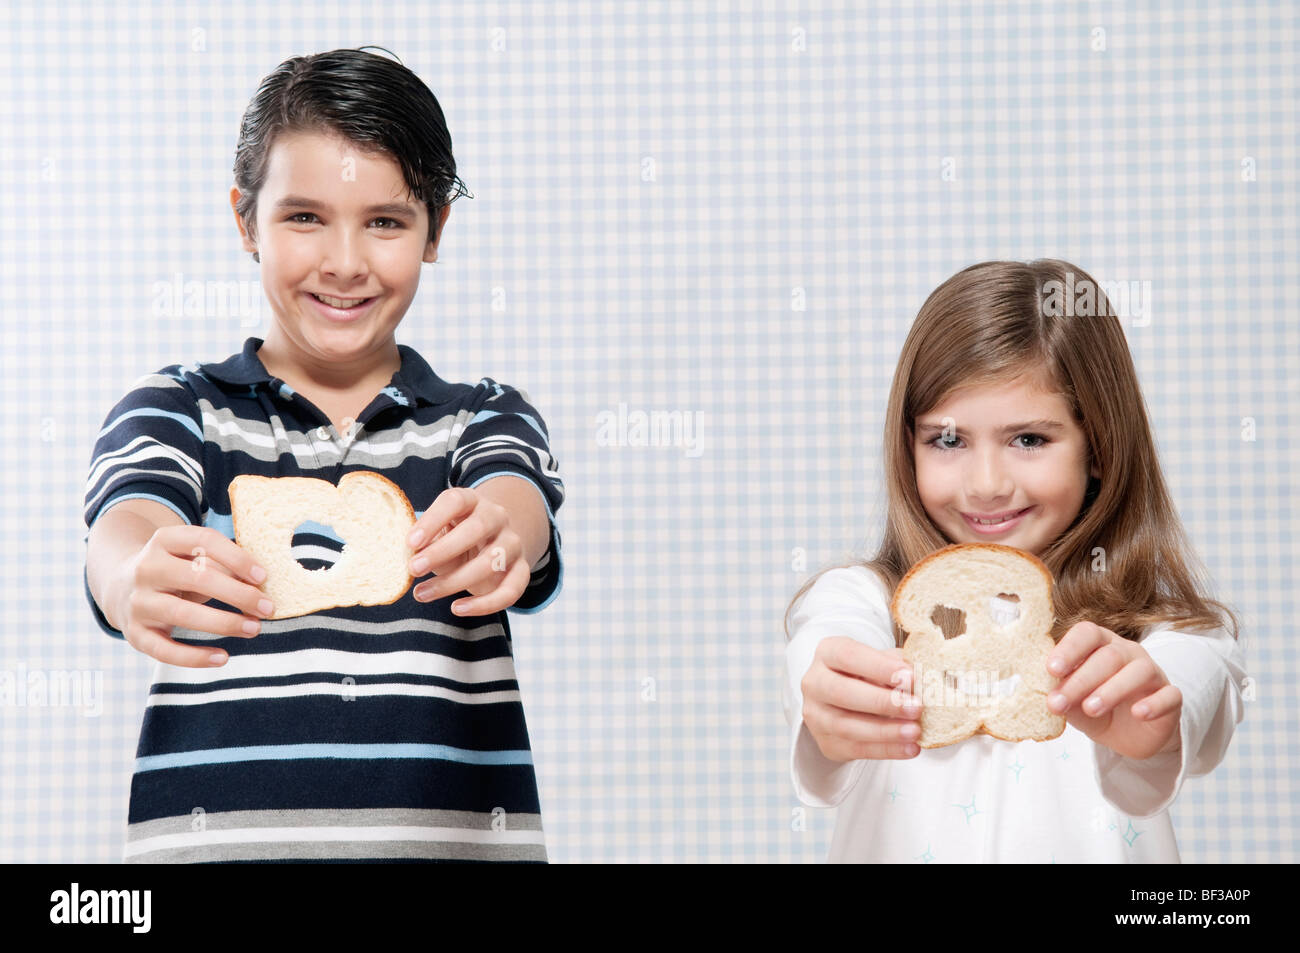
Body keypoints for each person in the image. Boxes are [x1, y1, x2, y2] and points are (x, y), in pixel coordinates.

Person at [82, 48, 564, 862]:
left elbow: (517, 504)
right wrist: (130, 577)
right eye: (304, 217)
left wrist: (504, 533)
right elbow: (127, 522)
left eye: (385, 221)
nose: (344, 262)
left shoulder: (481, 417)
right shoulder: (180, 411)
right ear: (245, 222)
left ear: (437, 229)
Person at [783, 259, 1246, 863]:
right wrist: (831, 694)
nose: (986, 484)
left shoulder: (1167, 633)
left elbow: (1189, 685)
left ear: (1100, 447)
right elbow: (824, 643)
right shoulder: (865, 600)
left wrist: (1155, 718)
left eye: (1029, 439)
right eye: (947, 440)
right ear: (909, 446)